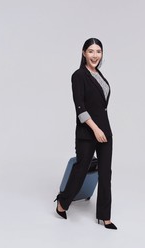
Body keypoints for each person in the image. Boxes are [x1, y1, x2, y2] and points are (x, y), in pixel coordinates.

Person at [54, 38, 117, 230]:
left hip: (105, 131)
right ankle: (62, 203)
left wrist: (103, 129)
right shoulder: (78, 75)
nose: (95, 55)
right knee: (81, 170)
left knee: (106, 174)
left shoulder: (99, 75)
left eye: (98, 51)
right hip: (87, 132)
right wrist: (95, 129)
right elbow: (80, 108)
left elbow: (101, 107)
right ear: (83, 53)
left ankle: (104, 217)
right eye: (91, 51)